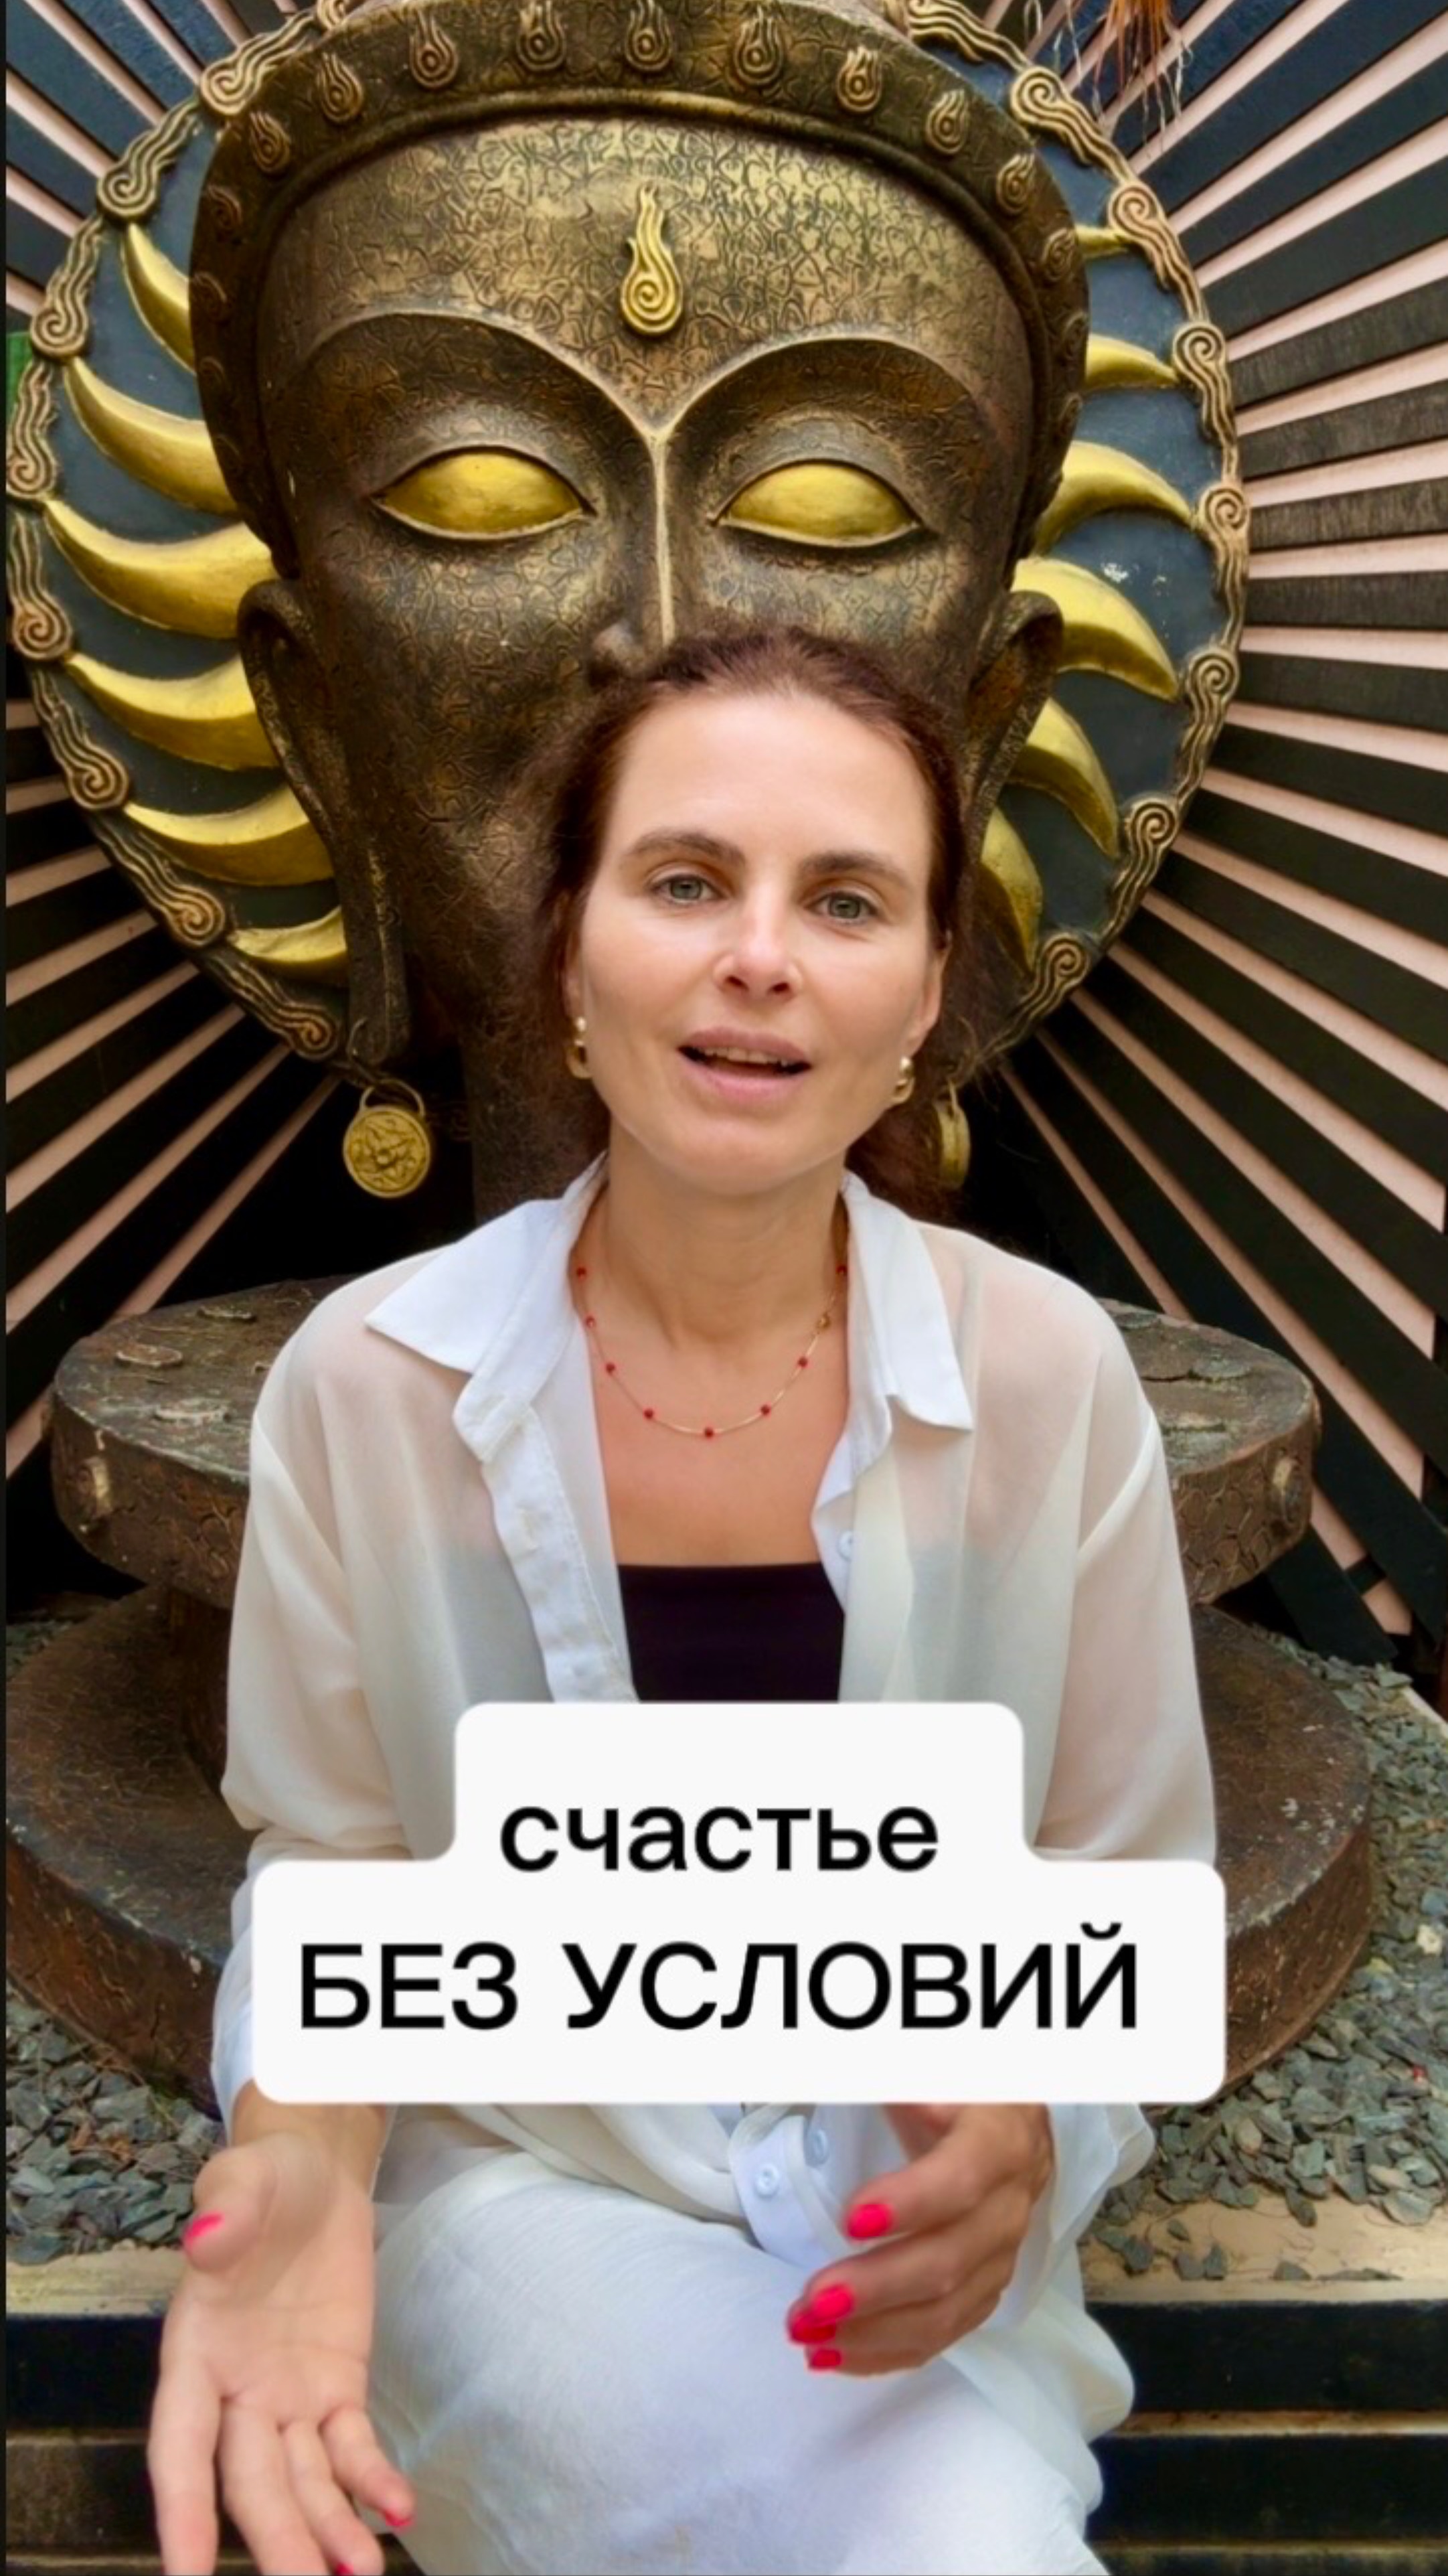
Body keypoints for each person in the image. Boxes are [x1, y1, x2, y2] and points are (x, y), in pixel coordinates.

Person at [147, 624, 1215, 2576]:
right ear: (571, 955)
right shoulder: (372, 1387)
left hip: (908, 2240)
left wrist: (1034, 2123)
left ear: (924, 993)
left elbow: (1121, 1884)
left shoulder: (1048, 1382)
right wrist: (298, 2146)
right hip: (524, 2197)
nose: (760, 957)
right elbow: (338, 1863)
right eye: (686, 880)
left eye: (846, 900)